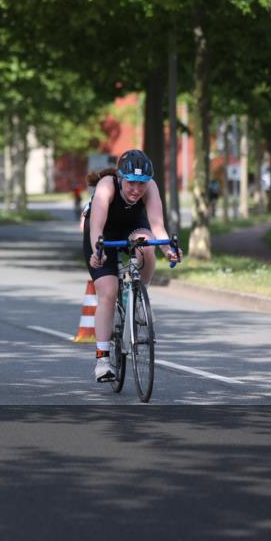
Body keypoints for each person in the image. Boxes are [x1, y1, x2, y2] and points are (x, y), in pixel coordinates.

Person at [83, 150, 181, 383]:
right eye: (131, 184)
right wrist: (98, 252)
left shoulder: (151, 187)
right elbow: (96, 226)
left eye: (142, 184)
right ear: (120, 177)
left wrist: (169, 250)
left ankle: (138, 295)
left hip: (133, 227)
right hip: (103, 232)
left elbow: (157, 226)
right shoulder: (107, 186)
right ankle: (103, 360)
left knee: (147, 245)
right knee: (108, 292)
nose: (137, 190)